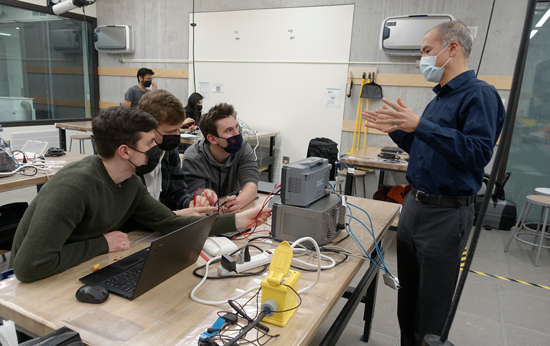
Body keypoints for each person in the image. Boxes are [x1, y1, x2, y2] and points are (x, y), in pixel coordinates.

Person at [362, 21, 505, 346]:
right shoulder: (438, 100)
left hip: (445, 215)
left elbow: (477, 152)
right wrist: (397, 131)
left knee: (430, 312)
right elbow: (426, 149)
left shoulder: (480, 95)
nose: (422, 59)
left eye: (427, 50)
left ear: (452, 48)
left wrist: (419, 125)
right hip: (415, 208)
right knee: (407, 303)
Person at [9, 106, 271, 283]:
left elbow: (171, 223)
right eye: (149, 143)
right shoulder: (73, 188)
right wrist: (102, 244)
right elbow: (30, 266)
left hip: (80, 270)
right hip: (41, 281)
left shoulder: (130, 183)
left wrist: (242, 219)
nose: (157, 148)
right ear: (125, 151)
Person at [137, 89, 217, 215]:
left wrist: (191, 203)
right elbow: (138, 214)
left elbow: (177, 190)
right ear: (147, 128)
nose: (176, 136)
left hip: (162, 227)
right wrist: (178, 215)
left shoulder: (169, 149)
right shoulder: (132, 157)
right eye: (170, 132)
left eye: (178, 129)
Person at [182, 103, 258, 214]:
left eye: (236, 127)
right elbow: (197, 195)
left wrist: (237, 203)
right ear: (212, 139)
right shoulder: (193, 157)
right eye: (229, 130)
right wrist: (205, 195)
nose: (237, 134)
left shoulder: (242, 148)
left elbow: (251, 185)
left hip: (230, 214)